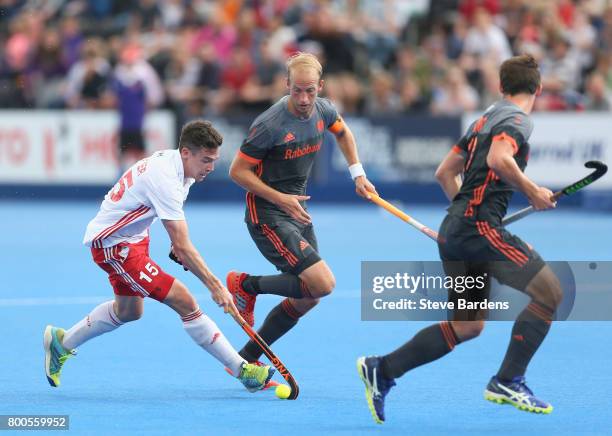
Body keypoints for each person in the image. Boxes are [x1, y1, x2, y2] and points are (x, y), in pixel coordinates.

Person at [357, 54, 563, 423]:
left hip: (458, 230)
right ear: (539, 88)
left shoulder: (483, 119)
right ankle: (508, 380)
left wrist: (464, 216)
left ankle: (383, 369)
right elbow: (501, 159)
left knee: (467, 325)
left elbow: (444, 173)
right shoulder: (517, 119)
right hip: (478, 230)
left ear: (501, 87)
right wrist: (531, 191)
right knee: (551, 294)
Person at [44, 120, 274, 393]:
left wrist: (178, 247)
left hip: (135, 237)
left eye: (214, 160)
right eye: (206, 160)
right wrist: (216, 287)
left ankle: (62, 343)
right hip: (115, 245)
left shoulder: (182, 170)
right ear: (186, 152)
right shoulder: (165, 177)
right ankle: (243, 370)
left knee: (129, 311)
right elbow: (183, 244)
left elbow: (176, 237)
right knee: (185, 301)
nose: (211, 168)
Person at [224, 52, 376, 369]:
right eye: (297, 90)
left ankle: (245, 359)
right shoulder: (270, 124)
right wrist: (279, 198)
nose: (304, 99)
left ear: (320, 86)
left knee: (309, 296)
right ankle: (245, 285)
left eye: (310, 90)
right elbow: (237, 172)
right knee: (323, 284)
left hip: (296, 211)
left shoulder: (323, 109)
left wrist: (358, 174)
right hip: (266, 215)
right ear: (286, 85)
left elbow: (343, 131)